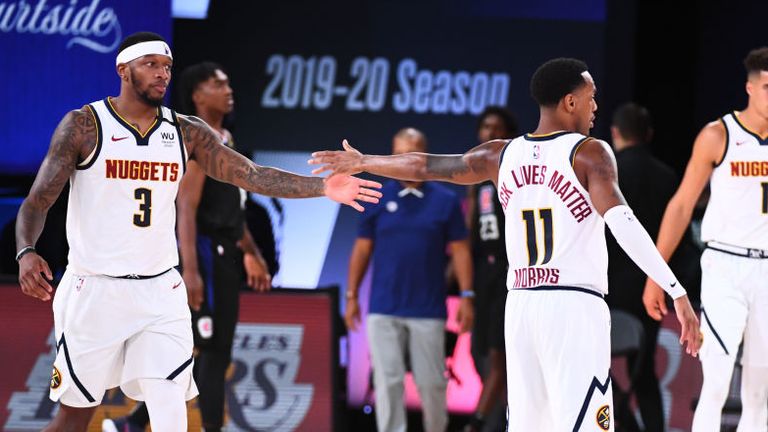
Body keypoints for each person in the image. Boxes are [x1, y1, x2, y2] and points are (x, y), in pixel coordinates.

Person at [15, 31, 381, 432]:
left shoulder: (186, 132)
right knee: (76, 414)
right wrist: (26, 250)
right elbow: (37, 201)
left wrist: (323, 187)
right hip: (95, 288)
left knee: (171, 411)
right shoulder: (85, 125)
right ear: (123, 69)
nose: (162, 74)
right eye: (151, 64)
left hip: (160, 291)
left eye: (167, 67)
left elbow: (251, 175)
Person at [310, 57, 701, 431]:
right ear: (570, 102)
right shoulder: (590, 153)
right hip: (573, 306)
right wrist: (675, 289)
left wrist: (364, 162)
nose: (595, 106)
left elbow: (425, 166)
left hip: (522, 307)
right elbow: (623, 222)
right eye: (591, 96)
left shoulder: (500, 154)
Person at [102, 62, 273, 432]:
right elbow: (186, 210)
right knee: (208, 351)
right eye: (218, 83)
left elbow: (234, 210)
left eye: (228, 83)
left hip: (227, 253)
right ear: (198, 95)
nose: (229, 90)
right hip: (207, 256)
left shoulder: (227, 139)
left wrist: (252, 253)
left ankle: (133, 421)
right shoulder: (196, 140)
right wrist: (190, 271)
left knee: (213, 350)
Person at [643, 47, 768, 432]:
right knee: (715, 381)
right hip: (725, 266)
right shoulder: (719, 135)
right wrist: (656, 273)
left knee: (759, 392)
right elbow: (681, 206)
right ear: (749, 88)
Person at [344, 128, 474, 432]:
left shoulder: (445, 200)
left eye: (413, 151)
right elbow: (362, 249)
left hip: (428, 309)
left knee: (431, 384)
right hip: (384, 307)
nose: (407, 158)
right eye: (400, 152)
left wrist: (468, 295)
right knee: (387, 383)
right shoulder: (377, 196)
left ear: (425, 154)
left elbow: (461, 251)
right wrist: (351, 297)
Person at [605, 103, 678, 431]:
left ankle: (622, 419)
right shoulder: (667, 176)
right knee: (643, 370)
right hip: (653, 288)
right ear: (649, 135)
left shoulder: (605, 172)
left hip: (605, 287)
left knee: (592, 366)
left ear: (615, 133)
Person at [463, 106, 517, 432]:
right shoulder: (475, 175)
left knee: (499, 356)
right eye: (485, 127)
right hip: (483, 270)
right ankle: (506, 417)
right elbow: (471, 226)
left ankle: (478, 422)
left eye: (496, 128)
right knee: (476, 351)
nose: (489, 133)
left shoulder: (514, 169)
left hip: (509, 269)